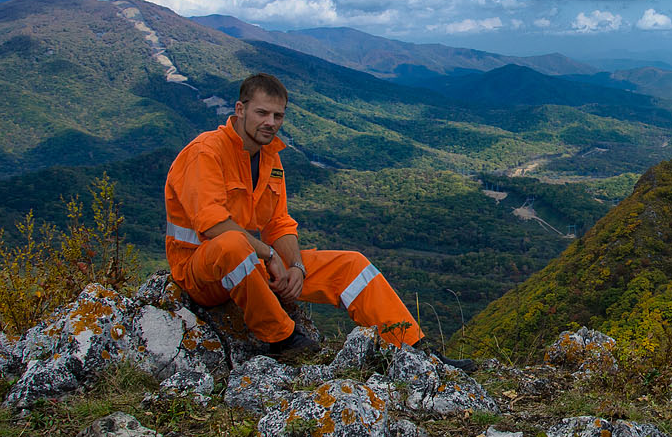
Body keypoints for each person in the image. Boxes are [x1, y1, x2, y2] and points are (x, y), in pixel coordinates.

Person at [163, 73, 465, 365]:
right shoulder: (206, 152)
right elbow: (213, 225)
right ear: (240, 110)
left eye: (278, 116)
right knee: (232, 245)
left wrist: (295, 266)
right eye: (262, 113)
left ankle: (414, 348)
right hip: (201, 274)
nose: (270, 123)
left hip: (250, 266)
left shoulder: (270, 158)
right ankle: (284, 340)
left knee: (353, 265)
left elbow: (279, 222)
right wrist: (269, 255)